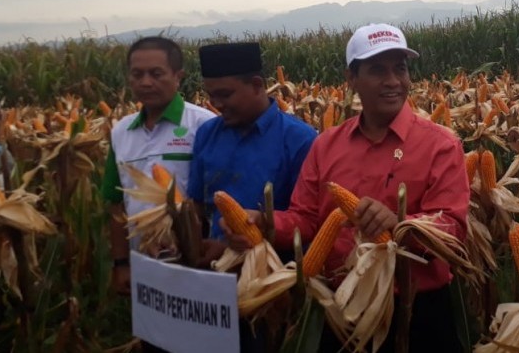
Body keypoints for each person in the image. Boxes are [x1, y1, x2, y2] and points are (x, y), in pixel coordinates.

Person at [229, 24, 471, 353]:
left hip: (418, 309)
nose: (393, 81)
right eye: (377, 70)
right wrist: (266, 223)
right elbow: (307, 219)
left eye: (400, 68)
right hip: (341, 306)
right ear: (351, 78)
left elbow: (453, 228)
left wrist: (401, 224)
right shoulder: (326, 145)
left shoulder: (440, 145)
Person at [101, 37, 217, 297]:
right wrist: (121, 263)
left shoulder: (203, 124)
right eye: (137, 74)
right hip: (143, 264)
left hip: (195, 262)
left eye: (156, 74)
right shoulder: (121, 131)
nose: (145, 82)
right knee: (152, 336)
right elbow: (115, 203)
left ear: (178, 77)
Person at [187, 42, 317, 264]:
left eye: (225, 95)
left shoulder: (300, 139)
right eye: (211, 96)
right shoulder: (207, 133)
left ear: (257, 85)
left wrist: (264, 226)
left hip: (276, 273)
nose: (216, 104)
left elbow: (309, 220)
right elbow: (196, 205)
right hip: (215, 270)